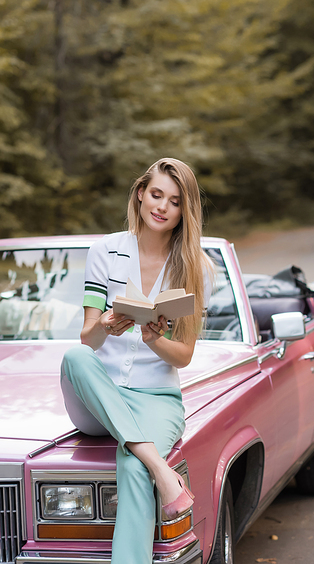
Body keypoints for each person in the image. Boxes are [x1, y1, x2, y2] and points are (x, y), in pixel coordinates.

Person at [60, 158, 213, 564]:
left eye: (175, 201)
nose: (162, 207)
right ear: (141, 193)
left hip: (156, 399)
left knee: (131, 468)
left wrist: (153, 338)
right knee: (74, 356)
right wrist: (108, 324)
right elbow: (87, 338)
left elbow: (183, 356)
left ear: (185, 211)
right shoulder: (104, 251)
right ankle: (164, 473)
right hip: (99, 399)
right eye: (157, 194)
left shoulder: (194, 267)